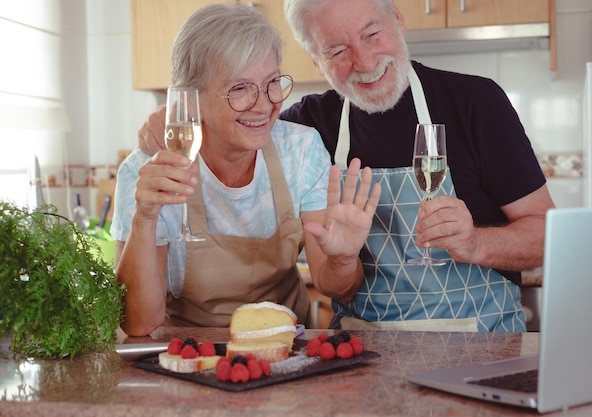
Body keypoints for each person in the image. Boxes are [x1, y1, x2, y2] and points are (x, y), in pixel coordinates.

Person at [138, 0, 556, 332]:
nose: (363, 60)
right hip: (360, 350)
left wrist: (477, 244)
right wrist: (172, 117)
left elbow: (547, 235)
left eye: (372, 33)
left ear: (398, 19)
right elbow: (235, 121)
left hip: (480, 339)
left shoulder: (476, 103)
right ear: (316, 62)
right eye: (337, 50)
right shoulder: (307, 125)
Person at [112, 3, 380, 337]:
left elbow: (334, 286)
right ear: (191, 99)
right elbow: (138, 322)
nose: (265, 104)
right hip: (189, 355)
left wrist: (343, 259)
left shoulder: (300, 150)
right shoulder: (146, 172)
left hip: (285, 351)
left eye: (272, 83)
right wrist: (145, 217)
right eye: (240, 88)